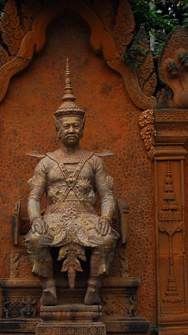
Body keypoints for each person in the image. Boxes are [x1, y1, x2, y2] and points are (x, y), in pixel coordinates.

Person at [25, 61, 119, 306]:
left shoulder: (93, 161)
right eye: (66, 126)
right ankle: (48, 287)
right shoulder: (46, 162)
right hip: (54, 218)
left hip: (87, 218)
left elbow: (106, 196)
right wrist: (36, 220)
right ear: (57, 129)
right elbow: (34, 198)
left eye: (75, 125)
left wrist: (105, 219)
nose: (71, 130)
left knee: (106, 238)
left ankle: (93, 287)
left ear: (83, 128)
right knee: (36, 239)